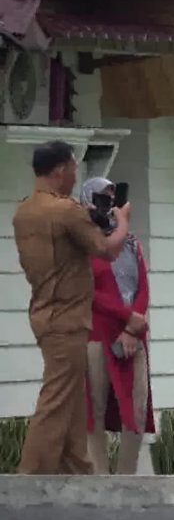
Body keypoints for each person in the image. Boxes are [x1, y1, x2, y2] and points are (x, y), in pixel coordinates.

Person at [12, 140, 132, 474]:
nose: (76, 176)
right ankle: (31, 476)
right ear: (61, 169)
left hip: (44, 310)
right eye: (74, 168)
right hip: (66, 315)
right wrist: (122, 220)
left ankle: (76, 466)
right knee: (56, 397)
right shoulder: (65, 210)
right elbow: (107, 249)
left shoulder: (24, 211)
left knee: (73, 396)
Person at [79, 177, 155, 474]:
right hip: (98, 333)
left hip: (133, 334)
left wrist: (132, 326)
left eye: (112, 197)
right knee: (94, 405)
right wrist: (125, 316)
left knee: (137, 404)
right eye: (102, 197)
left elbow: (142, 286)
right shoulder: (84, 241)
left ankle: (126, 475)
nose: (108, 203)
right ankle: (100, 475)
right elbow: (88, 290)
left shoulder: (131, 242)